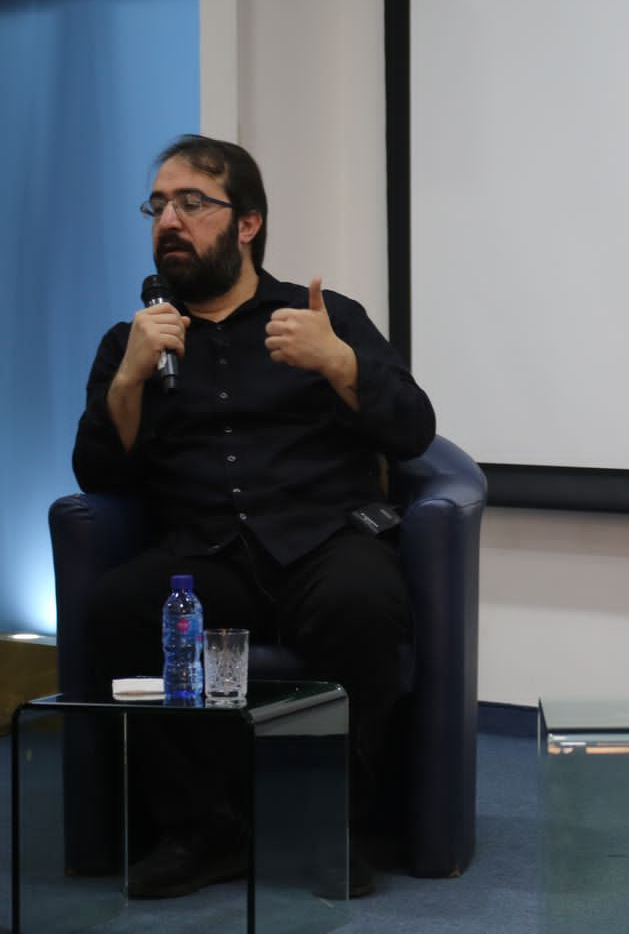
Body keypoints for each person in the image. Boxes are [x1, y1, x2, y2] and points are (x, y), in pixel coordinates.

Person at [72, 134, 436, 898]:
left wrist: (340, 363)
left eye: (191, 203)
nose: (169, 221)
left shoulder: (322, 317)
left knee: (363, 602)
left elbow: (413, 431)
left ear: (247, 223)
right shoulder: (134, 341)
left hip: (321, 541)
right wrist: (128, 382)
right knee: (117, 608)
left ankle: (336, 821)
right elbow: (100, 476)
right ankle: (204, 830)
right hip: (203, 554)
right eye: (158, 206)